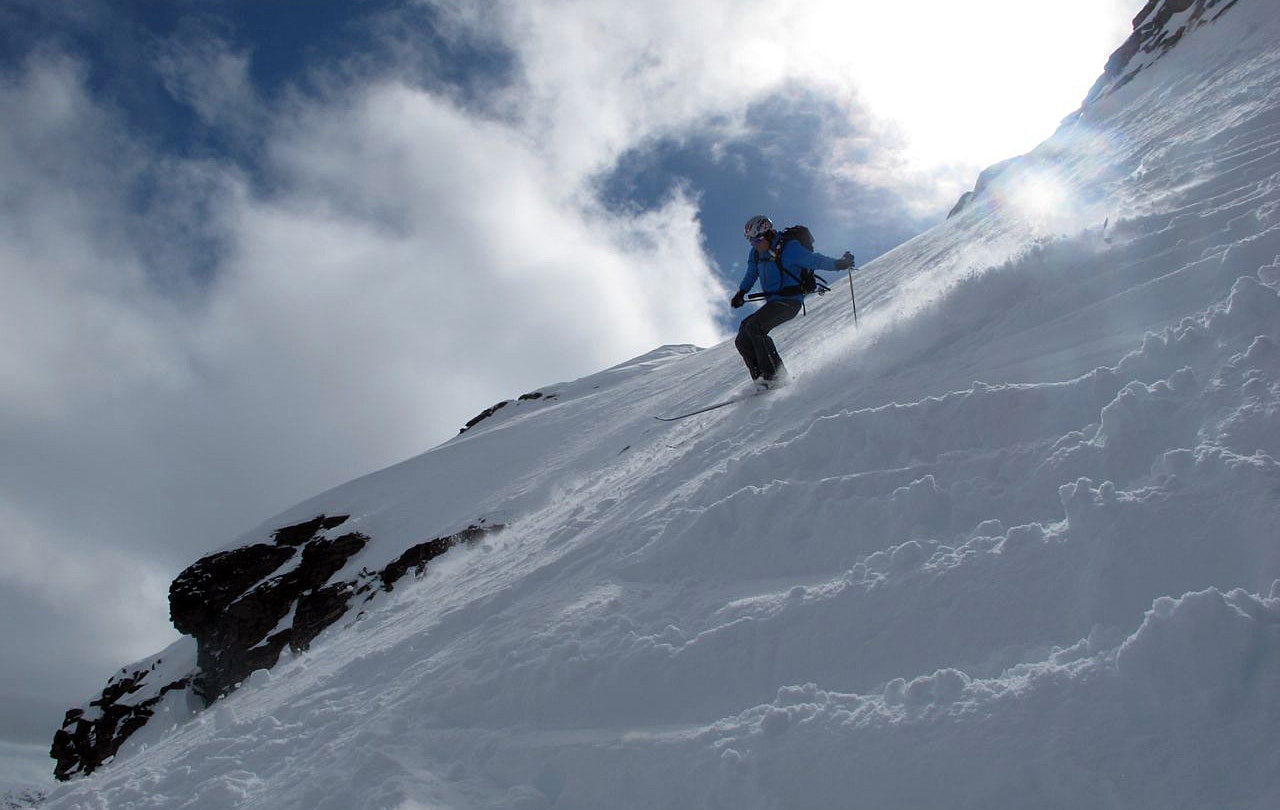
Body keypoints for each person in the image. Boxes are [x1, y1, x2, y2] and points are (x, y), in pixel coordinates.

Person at [731, 215, 855, 388]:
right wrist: (741, 292)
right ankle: (761, 380)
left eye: (757, 240)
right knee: (742, 337)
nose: (755, 245)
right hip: (774, 302)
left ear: (767, 234)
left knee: (755, 327)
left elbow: (814, 260)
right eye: (751, 242)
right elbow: (751, 273)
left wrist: (839, 264)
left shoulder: (789, 248)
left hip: (790, 301)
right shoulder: (756, 253)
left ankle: (775, 378)